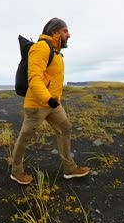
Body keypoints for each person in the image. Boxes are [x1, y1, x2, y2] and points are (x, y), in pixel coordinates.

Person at [10, 18, 90, 185]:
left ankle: (70, 169)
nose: (69, 35)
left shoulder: (56, 52)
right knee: (25, 138)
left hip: (53, 104)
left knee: (65, 129)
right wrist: (48, 99)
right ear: (55, 32)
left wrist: (54, 100)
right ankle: (16, 171)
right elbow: (35, 78)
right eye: (65, 31)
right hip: (37, 105)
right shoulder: (40, 48)